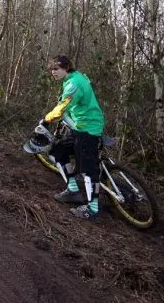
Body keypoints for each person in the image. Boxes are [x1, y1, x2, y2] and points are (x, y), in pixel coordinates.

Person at [41, 55, 105, 220]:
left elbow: (62, 107)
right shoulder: (73, 78)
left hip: (88, 128)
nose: (53, 72)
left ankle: (92, 209)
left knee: (88, 170)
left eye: (56, 69)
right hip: (79, 126)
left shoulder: (74, 83)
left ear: (66, 68)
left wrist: (47, 119)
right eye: (51, 70)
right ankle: (73, 191)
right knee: (57, 151)